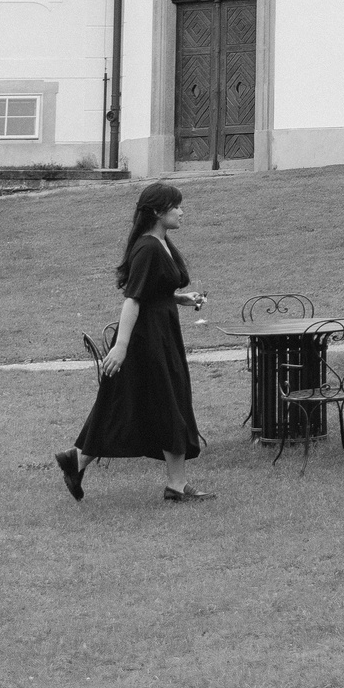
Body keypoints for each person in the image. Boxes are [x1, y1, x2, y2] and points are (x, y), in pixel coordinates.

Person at [58, 182, 212, 505]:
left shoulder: (161, 243)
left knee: (132, 404)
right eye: (176, 206)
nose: (182, 211)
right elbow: (133, 300)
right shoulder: (148, 248)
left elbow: (155, 290)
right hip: (147, 341)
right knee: (161, 405)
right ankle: (176, 486)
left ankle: (77, 460)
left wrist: (183, 298)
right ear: (158, 212)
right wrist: (122, 345)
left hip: (163, 334)